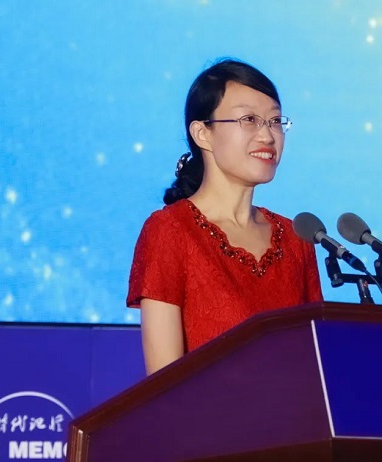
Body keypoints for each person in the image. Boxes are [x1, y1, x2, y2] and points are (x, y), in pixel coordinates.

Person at [127, 59, 323, 375]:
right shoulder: (170, 230)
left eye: (275, 121)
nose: (268, 136)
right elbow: (164, 383)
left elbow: (313, 364)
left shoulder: (296, 237)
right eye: (249, 119)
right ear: (202, 134)